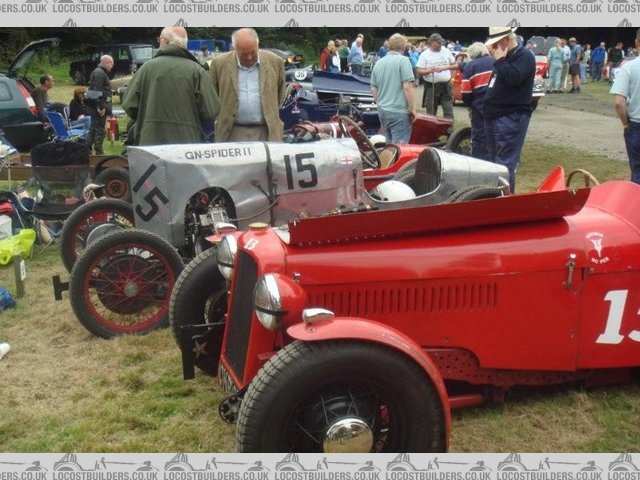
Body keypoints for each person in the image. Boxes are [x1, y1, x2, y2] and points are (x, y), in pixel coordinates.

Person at [122, 27, 220, 146]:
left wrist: (147, 121)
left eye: (159, 40)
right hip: (188, 144)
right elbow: (211, 110)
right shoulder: (197, 71)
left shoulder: (145, 69)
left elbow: (129, 104)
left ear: (165, 41)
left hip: (150, 142)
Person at [209, 28, 286, 142]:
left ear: (258, 45)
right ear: (235, 49)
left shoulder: (276, 62)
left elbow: (280, 95)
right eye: (244, 54)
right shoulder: (218, 64)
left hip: (267, 132)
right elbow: (212, 96)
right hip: (231, 132)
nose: (249, 57)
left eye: (253, 53)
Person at [483, 26, 535, 192]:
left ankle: (505, 202)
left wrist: (500, 61)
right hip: (495, 115)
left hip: (510, 116)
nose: (494, 47)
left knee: (504, 164)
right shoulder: (505, 58)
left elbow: (514, 78)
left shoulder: (524, 56)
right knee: (493, 163)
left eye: (497, 43)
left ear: (506, 40)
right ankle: (496, 198)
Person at [370, 33, 416, 144]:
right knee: (399, 148)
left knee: (389, 145)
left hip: (383, 110)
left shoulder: (378, 63)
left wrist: (380, 103)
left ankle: (388, 161)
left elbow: (373, 89)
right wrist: (412, 108)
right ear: (403, 47)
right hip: (399, 111)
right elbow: (407, 86)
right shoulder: (404, 61)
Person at [610, 28, 640, 183]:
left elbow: (619, 102)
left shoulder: (628, 67)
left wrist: (626, 123)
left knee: (637, 171)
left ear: (636, 43)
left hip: (636, 124)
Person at [461, 42, 494, 160]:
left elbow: (465, 92)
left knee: (479, 134)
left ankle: (478, 160)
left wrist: (469, 105)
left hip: (479, 105)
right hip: (496, 104)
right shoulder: (495, 61)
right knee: (494, 133)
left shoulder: (471, 66)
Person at [416, 33, 458, 119]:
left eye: (441, 42)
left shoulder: (446, 51)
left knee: (448, 109)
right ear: (431, 43)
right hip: (431, 87)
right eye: (438, 43)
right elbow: (419, 71)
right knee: (431, 111)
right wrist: (429, 70)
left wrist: (452, 78)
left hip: (446, 85)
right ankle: (432, 131)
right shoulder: (424, 54)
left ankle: (449, 131)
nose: (440, 45)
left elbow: (455, 65)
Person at [86, 55, 113, 155]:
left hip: (97, 106)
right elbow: (96, 92)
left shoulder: (100, 73)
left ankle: (87, 150)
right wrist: (100, 107)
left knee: (94, 128)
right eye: (111, 64)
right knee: (99, 129)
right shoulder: (99, 74)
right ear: (106, 62)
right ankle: (99, 152)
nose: (112, 66)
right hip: (98, 107)